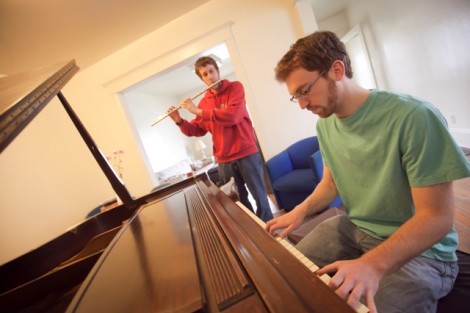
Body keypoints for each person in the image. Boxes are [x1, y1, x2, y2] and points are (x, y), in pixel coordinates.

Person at [266, 31, 470, 313]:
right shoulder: (325, 125)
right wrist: (299, 211)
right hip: (357, 228)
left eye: (305, 90)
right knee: (289, 274)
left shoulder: (414, 117)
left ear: (336, 70)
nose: (302, 104)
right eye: (295, 97)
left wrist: (372, 264)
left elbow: (436, 218)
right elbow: (330, 183)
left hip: (424, 252)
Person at [167, 56, 273, 222]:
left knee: (260, 197)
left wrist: (199, 112)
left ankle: (271, 235)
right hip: (224, 161)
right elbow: (197, 130)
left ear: (217, 71)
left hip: (246, 154)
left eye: (211, 71)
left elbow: (233, 116)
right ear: (201, 78)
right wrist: (179, 121)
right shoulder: (203, 103)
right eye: (205, 74)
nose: (210, 76)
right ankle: (253, 233)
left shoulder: (235, 88)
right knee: (237, 202)